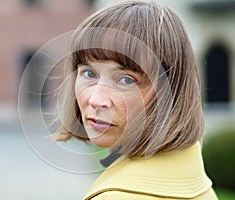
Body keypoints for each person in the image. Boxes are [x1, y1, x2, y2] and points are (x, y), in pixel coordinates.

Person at [53, 0, 218, 199]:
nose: (97, 100)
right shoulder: (194, 179)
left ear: (170, 93)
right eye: (89, 74)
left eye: (125, 80)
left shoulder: (118, 196)